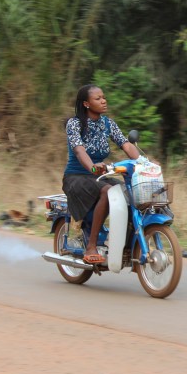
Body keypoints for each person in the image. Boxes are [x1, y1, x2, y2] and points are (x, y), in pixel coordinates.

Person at [62, 84, 140, 264]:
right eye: (98, 98)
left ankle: (123, 241)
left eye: (103, 97)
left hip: (99, 176)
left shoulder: (108, 123)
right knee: (108, 191)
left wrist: (144, 162)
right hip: (77, 177)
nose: (103, 101)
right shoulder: (74, 124)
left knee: (130, 192)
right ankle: (91, 246)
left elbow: (126, 145)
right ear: (86, 104)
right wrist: (93, 168)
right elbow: (80, 152)